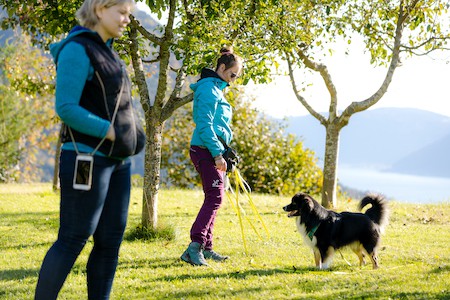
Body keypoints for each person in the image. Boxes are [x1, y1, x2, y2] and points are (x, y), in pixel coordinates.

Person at [35, 0, 145, 299]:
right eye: (121, 13)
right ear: (100, 10)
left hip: (118, 162)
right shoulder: (77, 48)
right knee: (72, 238)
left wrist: (131, 132)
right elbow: (66, 107)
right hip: (86, 157)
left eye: (128, 14)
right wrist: (109, 131)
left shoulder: (108, 51)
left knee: (109, 243)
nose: (126, 20)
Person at [180, 47, 243, 266]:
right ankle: (194, 247)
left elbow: (217, 125)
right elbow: (204, 124)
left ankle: (206, 248)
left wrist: (224, 151)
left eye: (236, 77)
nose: (233, 80)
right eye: (232, 74)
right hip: (204, 149)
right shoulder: (208, 89)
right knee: (214, 197)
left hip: (214, 149)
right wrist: (217, 154)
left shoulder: (217, 88)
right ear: (222, 67)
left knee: (217, 196)